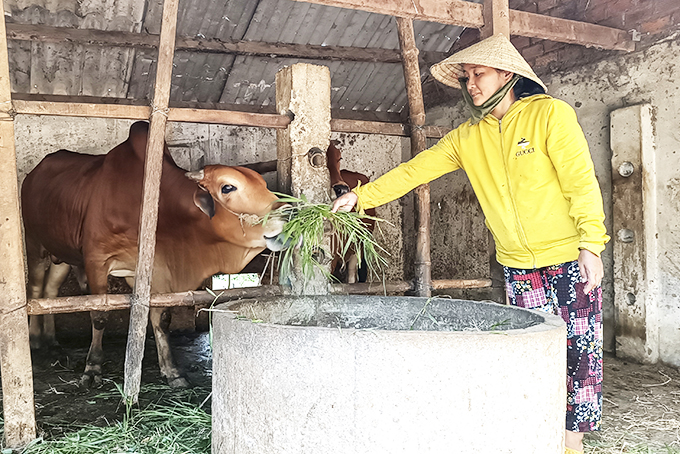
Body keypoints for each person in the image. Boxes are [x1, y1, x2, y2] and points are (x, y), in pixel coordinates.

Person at [331, 33, 608, 454]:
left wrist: (591, 243)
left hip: (571, 257)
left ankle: (571, 446)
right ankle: (536, 432)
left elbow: (580, 181)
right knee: (530, 352)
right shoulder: (467, 137)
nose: (471, 84)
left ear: (507, 75)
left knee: (579, 353)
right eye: (467, 77)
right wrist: (360, 197)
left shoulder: (551, 116)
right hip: (517, 265)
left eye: (479, 74)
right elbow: (414, 171)